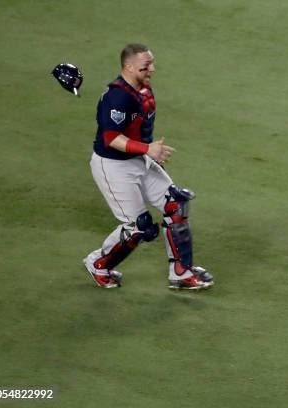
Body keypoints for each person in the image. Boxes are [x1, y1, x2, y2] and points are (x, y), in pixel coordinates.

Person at [83, 43, 214, 290]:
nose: (152, 69)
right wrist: (148, 149)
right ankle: (98, 264)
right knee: (137, 228)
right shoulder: (118, 96)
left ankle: (182, 274)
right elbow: (112, 138)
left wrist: (148, 152)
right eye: (146, 65)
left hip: (138, 161)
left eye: (151, 63)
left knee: (175, 205)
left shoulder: (140, 88)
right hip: (113, 167)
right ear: (129, 66)